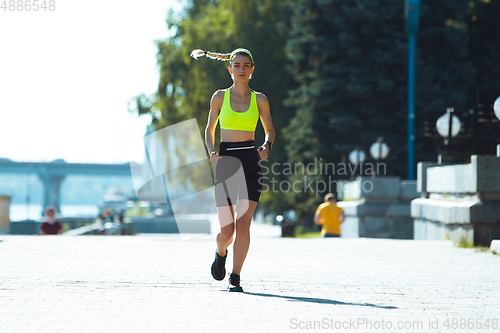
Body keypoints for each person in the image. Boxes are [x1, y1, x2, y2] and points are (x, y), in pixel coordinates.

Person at [191, 48, 275, 292]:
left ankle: (235, 277)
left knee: (244, 226)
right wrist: (211, 151)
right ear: (230, 70)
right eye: (236, 65)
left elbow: (270, 129)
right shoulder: (219, 97)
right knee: (227, 232)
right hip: (226, 161)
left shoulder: (260, 99)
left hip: (250, 159)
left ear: (252, 70)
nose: (241, 69)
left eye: (245, 65)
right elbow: (209, 128)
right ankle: (220, 252)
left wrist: (266, 144)